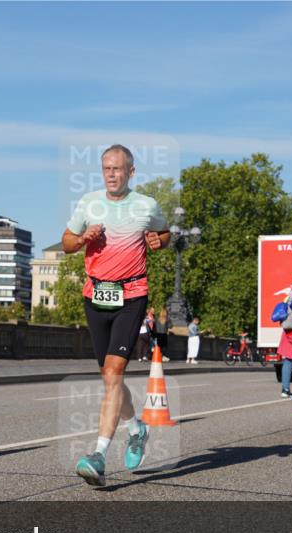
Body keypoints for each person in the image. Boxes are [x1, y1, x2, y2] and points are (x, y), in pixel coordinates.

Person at [62, 144, 169, 487]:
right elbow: (66, 242)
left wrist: (159, 240)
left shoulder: (146, 205)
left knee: (113, 372)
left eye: (117, 168)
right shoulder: (88, 203)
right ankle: (136, 428)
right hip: (96, 295)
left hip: (132, 295)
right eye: (106, 168)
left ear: (130, 172)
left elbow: (164, 232)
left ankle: (98, 455)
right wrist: (82, 238)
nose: (111, 174)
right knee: (111, 379)